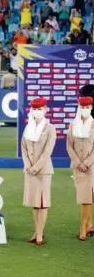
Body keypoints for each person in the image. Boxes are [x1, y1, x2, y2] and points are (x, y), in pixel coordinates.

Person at [21, 97, 56, 246]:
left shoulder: (50, 128)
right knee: (34, 203)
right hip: (29, 171)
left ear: (45, 110)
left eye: (40, 109)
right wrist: (28, 165)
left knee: (42, 203)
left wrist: (36, 167)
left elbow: (47, 151)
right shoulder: (28, 128)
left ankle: (40, 233)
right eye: (35, 109)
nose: (37, 111)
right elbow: (23, 148)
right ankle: (37, 231)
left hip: (43, 170)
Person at [66, 97, 94, 241]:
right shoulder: (73, 125)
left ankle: (83, 227)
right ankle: (89, 224)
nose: (85, 109)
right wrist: (77, 162)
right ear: (78, 107)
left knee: (88, 197)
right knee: (85, 196)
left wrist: (87, 163)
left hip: (91, 166)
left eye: (88, 106)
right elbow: (69, 145)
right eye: (83, 106)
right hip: (78, 166)